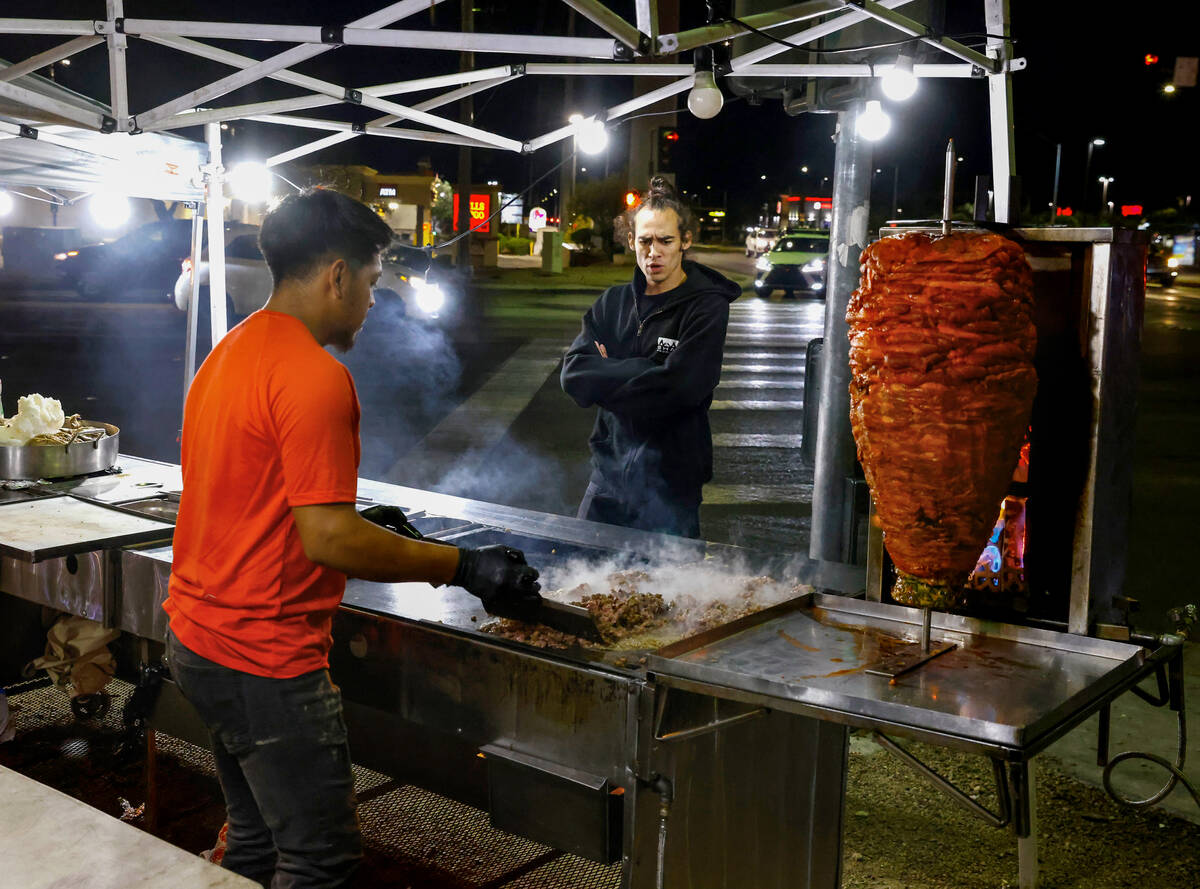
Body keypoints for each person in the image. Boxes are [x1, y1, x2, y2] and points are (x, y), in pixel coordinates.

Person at [163, 188, 540, 889]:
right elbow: (328, 538)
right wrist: (464, 566)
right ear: (336, 274)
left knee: (253, 839)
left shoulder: (228, 353)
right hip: (262, 659)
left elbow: (250, 496)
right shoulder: (315, 376)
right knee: (318, 860)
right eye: (370, 282)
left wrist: (372, 527)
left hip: (197, 639)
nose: (374, 301)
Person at [560, 176, 740, 538]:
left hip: (671, 488)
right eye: (645, 240)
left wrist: (607, 373)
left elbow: (681, 389)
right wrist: (648, 370)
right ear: (631, 241)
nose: (653, 251)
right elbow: (574, 376)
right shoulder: (612, 303)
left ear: (685, 241)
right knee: (578, 581)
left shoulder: (706, 307)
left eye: (665, 240)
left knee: (669, 592)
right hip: (606, 481)